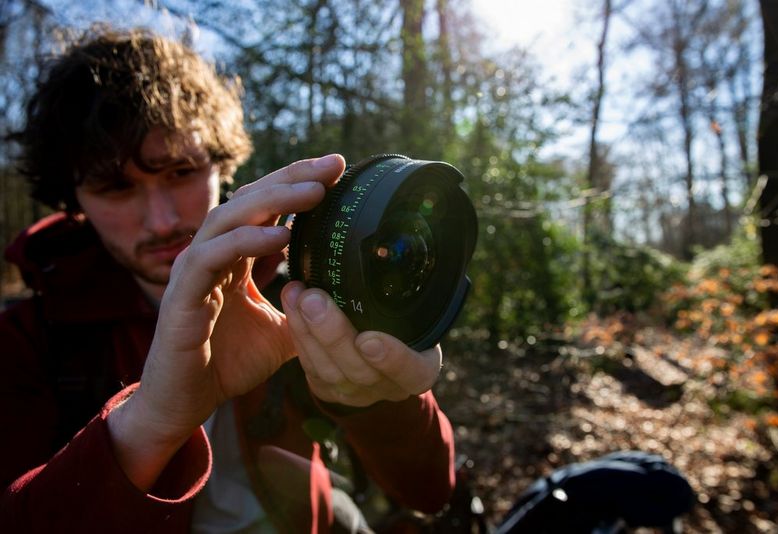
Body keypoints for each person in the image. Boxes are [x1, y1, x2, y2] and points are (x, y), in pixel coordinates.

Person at [0, 26, 455, 533]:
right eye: (115, 186)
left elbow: (430, 491)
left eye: (181, 171)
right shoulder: (25, 341)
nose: (162, 220)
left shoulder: (298, 290)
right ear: (73, 197)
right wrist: (148, 424)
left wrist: (372, 396)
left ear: (220, 162)